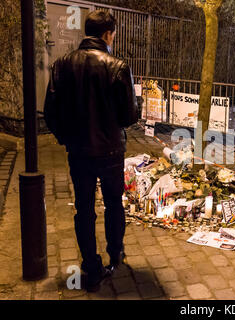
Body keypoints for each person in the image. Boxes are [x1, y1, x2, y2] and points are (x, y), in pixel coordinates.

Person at [44, 10, 138, 292]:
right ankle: (115, 253)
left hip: (80, 153)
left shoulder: (62, 65)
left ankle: (91, 264)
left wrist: (66, 138)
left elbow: (50, 113)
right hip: (110, 151)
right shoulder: (118, 66)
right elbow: (128, 117)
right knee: (113, 205)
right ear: (108, 34)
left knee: (84, 209)